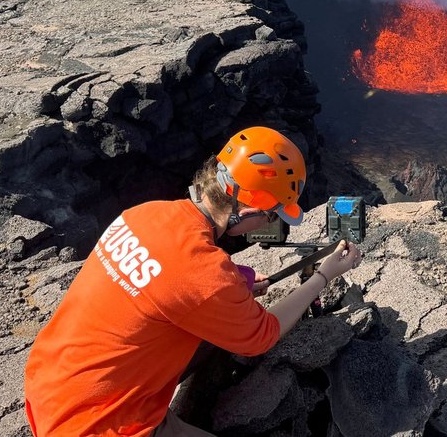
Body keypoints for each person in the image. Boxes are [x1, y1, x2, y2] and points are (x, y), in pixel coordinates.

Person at [23, 126, 362, 437]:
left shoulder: (142, 214)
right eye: (271, 215)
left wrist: (236, 281)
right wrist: (324, 274)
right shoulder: (205, 276)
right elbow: (265, 334)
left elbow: (165, 279)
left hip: (48, 388)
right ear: (245, 212)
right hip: (98, 423)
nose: (267, 223)